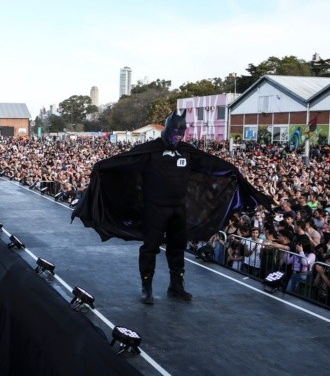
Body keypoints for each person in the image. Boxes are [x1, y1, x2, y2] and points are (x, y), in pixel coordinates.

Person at [72, 111, 270, 304]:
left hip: (178, 209)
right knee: (150, 248)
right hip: (154, 209)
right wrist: (102, 166)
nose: (177, 137)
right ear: (167, 130)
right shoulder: (149, 151)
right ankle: (147, 287)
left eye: (180, 133)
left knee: (177, 248)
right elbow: (125, 161)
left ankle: (176, 286)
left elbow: (209, 162)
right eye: (175, 132)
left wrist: (232, 170)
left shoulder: (187, 151)